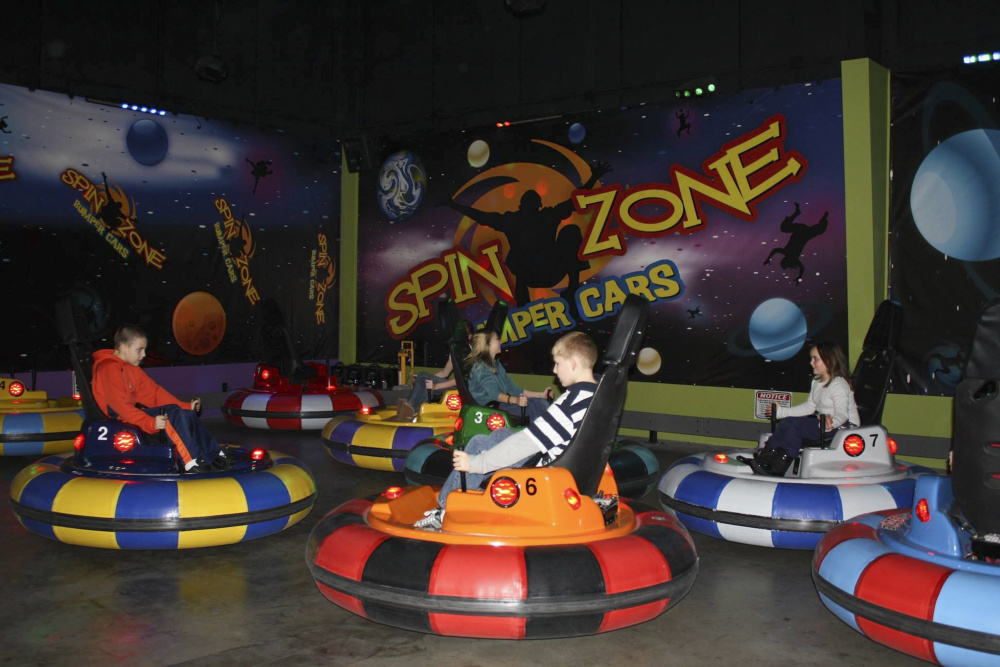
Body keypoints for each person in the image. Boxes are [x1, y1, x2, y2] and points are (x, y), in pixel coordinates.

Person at [415, 331, 598, 529]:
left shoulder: (570, 402)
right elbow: (499, 394)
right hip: (550, 446)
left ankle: (443, 511)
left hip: (546, 463)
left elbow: (524, 444)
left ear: (572, 363)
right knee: (500, 434)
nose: (554, 370)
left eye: (557, 363)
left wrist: (477, 463)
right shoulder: (595, 392)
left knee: (477, 444)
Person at [91, 325, 227, 473]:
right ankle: (189, 463)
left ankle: (212, 455)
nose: (143, 355)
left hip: (126, 413)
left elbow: (154, 394)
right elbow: (121, 407)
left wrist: (186, 406)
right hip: (116, 417)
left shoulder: (131, 368)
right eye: (139, 350)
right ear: (123, 348)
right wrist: (149, 423)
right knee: (172, 414)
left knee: (184, 414)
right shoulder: (108, 368)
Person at [741, 341, 860, 477]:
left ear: (829, 360)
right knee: (787, 422)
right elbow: (809, 407)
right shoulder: (817, 382)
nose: (811, 363)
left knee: (795, 425)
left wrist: (832, 422)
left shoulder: (838, 385)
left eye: (815, 359)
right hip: (825, 422)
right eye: (811, 359)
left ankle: (780, 465)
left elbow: (843, 413)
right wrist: (782, 412)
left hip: (842, 426)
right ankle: (764, 459)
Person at [466, 329, 551, 422]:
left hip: (500, 404)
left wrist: (541, 395)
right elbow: (495, 394)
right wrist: (516, 400)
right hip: (488, 409)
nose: (500, 342)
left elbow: (513, 389)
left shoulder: (496, 364)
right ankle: (536, 434)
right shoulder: (481, 366)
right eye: (497, 339)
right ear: (487, 344)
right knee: (534, 407)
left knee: (541, 402)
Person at [394, 320, 472, 422]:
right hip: (456, 383)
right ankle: (411, 408)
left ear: (469, 336)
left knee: (422, 376)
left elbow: (462, 380)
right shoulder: (455, 351)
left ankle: (411, 408)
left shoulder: (470, 353)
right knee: (422, 378)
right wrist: (422, 379)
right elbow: (445, 373)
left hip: (465, 388)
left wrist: (436, 386)